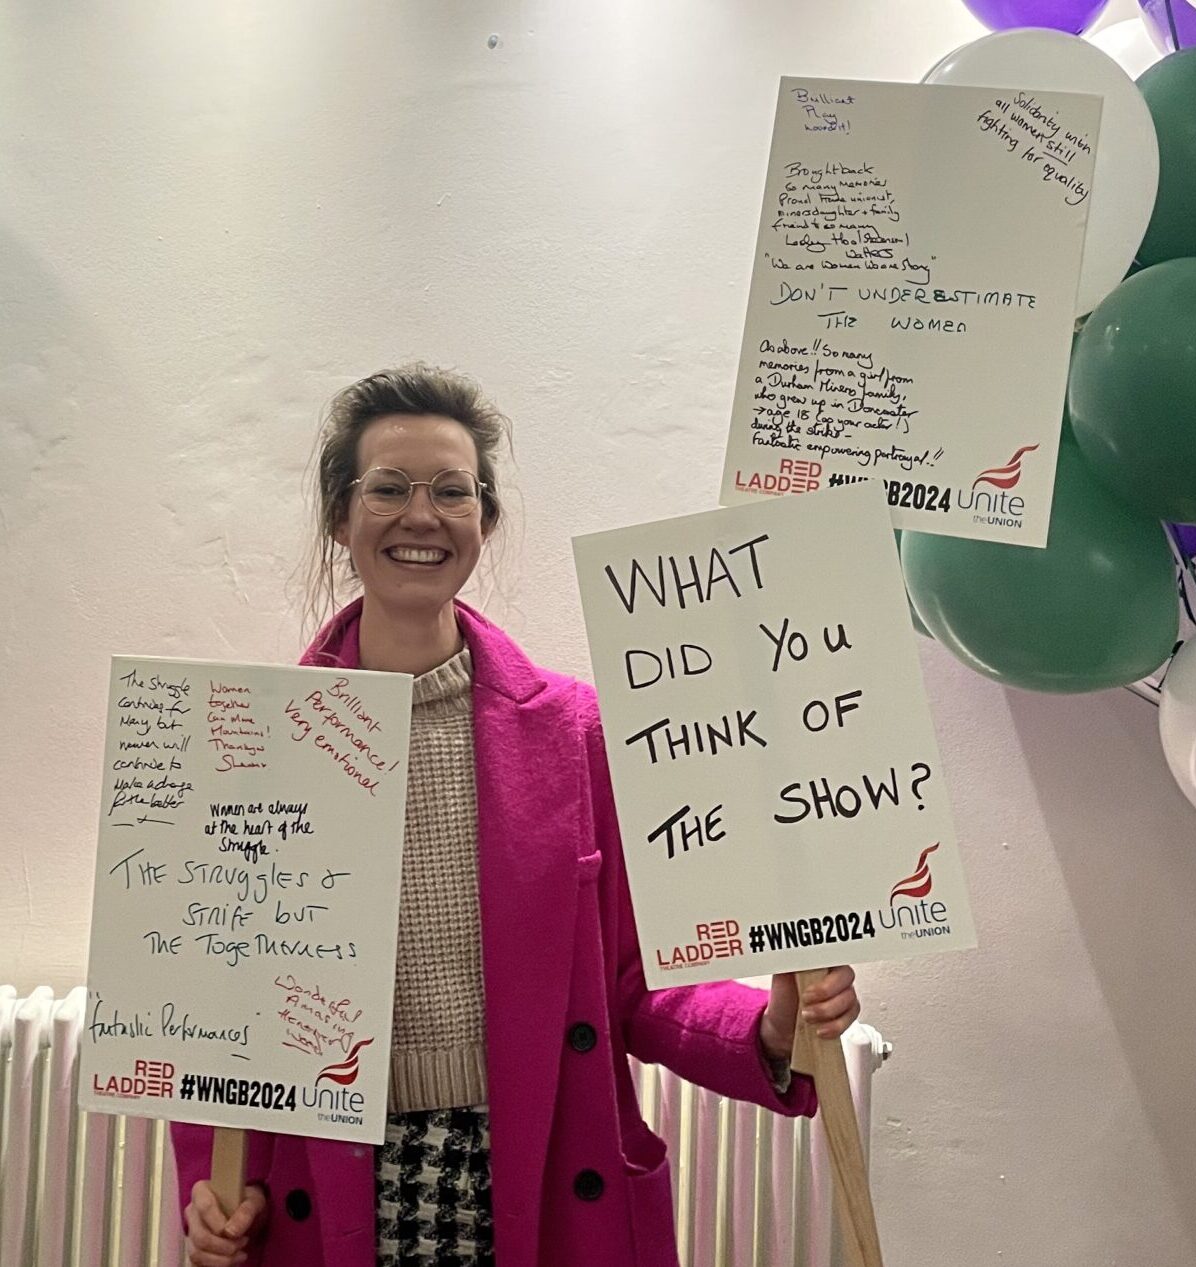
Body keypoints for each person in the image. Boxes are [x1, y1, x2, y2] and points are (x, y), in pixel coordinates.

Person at [172, 363, 860, 1267]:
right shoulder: (252, 741)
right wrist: (218, 1184)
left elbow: (635, 976)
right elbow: (219, 998)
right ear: (341, 518)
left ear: (483, 521)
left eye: (452, 491)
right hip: (337, 1167)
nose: (421, 515)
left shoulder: (576, 731)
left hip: (537, 1163)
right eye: (388, 488)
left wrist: (768, 1031)